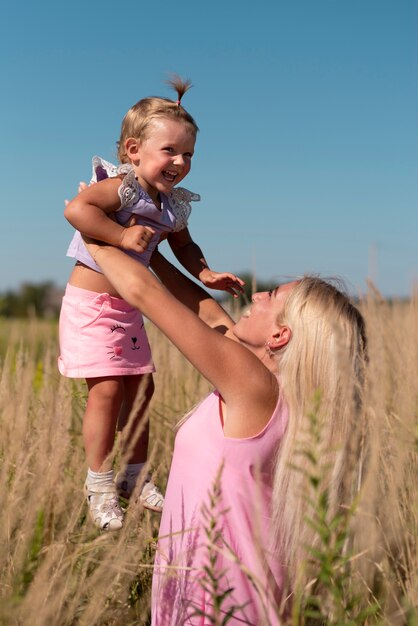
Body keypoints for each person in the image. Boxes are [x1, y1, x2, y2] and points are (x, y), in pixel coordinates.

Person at [81, 238, 368, 625]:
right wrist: (152, 254)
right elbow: (204, 309)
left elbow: (144, 294)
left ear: (280, 337)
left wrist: (96, 236)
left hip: (220, 603)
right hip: (226, 593)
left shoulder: (252, 387)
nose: (260, 292)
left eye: (272, 298)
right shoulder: (275, 391)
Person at [59, 76, 244, 532]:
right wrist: (121, 235)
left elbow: (183, 246)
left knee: (143, 391)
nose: (180, 162)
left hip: (129, 310)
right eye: (170, 151)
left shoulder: (171, 206)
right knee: (105, 393)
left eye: (189, 155)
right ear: (133, 150)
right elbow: (77, 210)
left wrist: (204, 272)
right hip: (92, 307)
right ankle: (99, 484)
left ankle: (135, 478)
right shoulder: (122, 188)